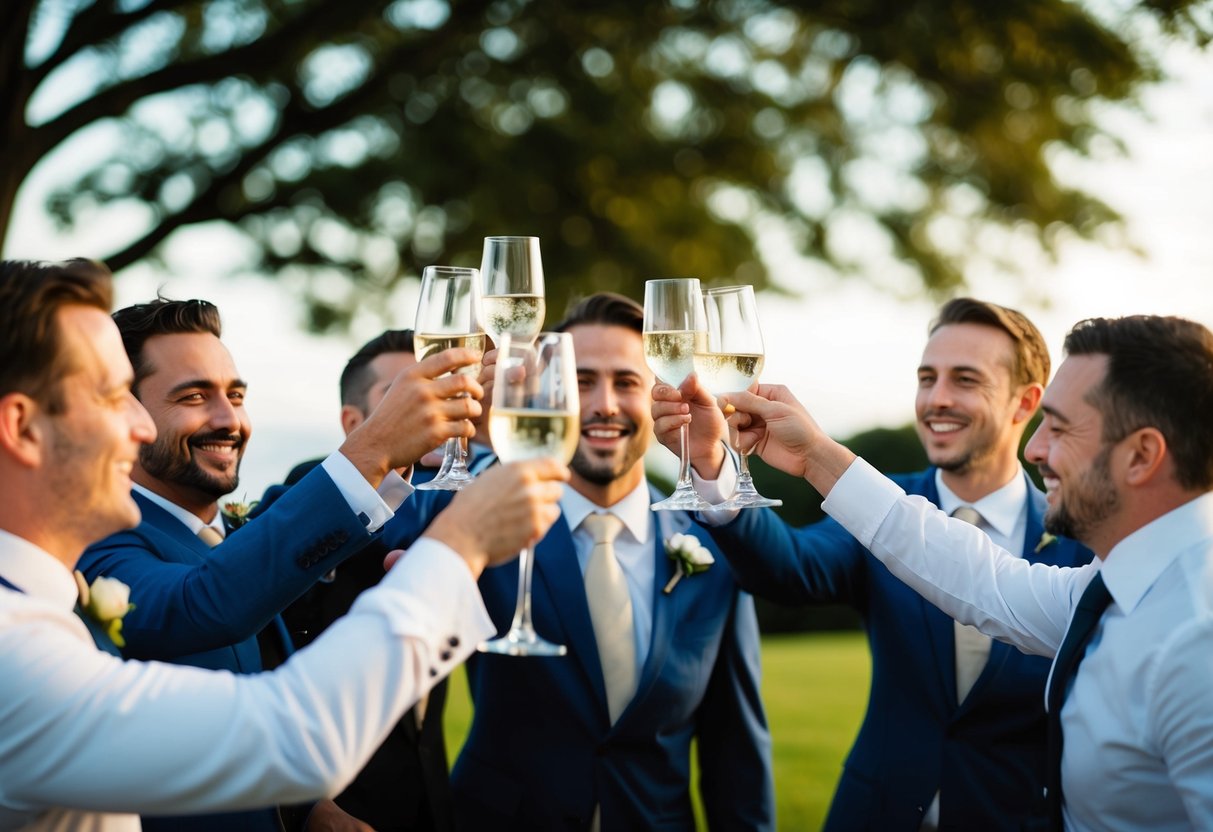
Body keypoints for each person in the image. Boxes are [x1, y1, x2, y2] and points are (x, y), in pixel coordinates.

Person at [0, 258, 568, 832]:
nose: (139, 426)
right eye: (110, 395)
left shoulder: (213, 540)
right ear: (21, 426)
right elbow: (273, 709)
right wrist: (451, 543)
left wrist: (302, 813)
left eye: (236, 394)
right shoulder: (24, 643)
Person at [721, 314, 1213, 831]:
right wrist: (813, 455)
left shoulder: (1196, 637)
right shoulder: (1105, 589)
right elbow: (981, 578)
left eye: (1061, 427)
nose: (1036, 449)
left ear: (1142, 455)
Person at [653, 298, 1093, 830]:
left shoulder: (1080, 534)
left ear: (1025, 404)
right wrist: (712, 468)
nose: (936, 399)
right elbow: (790, 567)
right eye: (926, 378)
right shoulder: (878, 505)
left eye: (965, 380)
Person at [76, 300, 483, 830]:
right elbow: (201, 603)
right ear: (123, 414)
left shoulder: (235, 535)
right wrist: (377, 443)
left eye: (236, 395)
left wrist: (305, 808)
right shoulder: (97, 543)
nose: (228, 420)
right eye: (194, 396)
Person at [435, 293, 774, 831]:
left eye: (626, 382)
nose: (604, 405)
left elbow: (736, 752)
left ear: (662, 396)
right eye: (581, 381)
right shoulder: (481, 517)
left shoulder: (713, 538)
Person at [265, 328, 471, 832]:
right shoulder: (304, 497)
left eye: (441, 392)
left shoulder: (443, 500)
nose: (431, 410)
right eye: (406, 396)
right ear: (352, 422)